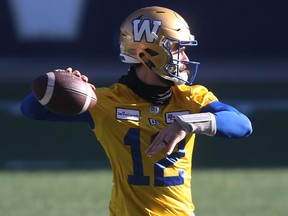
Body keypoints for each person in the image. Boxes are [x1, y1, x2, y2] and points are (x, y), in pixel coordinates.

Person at [21, 6, 253, 216]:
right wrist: (57, 84)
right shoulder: (106, 102)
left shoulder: (191, 98)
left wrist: (186, 124)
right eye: (177, 49)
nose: (185, 58)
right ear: (149, 53)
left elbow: (242, 125)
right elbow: (32, 110)